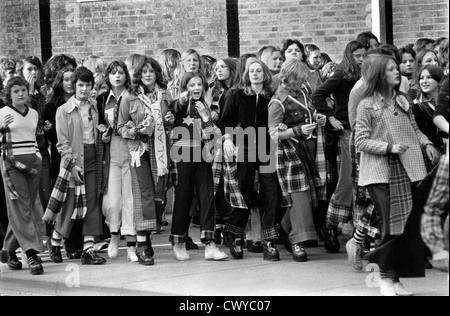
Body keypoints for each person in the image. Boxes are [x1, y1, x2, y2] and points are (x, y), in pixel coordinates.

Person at [355, 54, 439, 296]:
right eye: (391, 69)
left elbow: (414, 128)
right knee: (392, 225)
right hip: (381, 173)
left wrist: (425, 144)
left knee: (409, 226)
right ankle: (383, 276)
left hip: (409, 169)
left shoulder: (402, 100)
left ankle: (395, 278)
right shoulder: (366, 104)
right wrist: (388, 147)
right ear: (380, 75)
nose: (397, 72)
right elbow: (360, 141)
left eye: (396, 68)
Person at [43, 66, 106, 265]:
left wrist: (104, 132)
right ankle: (55, 241)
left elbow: (96, 133)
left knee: (92, 202)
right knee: (70, 204)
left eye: (88, 85)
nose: (84, 89)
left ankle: (88, 248)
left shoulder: (95, 106)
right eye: (81, 85)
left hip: (93, 157)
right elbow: (61, 143)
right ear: (74, 86)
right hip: (73, 160)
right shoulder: (63, 110)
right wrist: (72, 165)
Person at [220, 60, 280, 261]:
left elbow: (280, 119)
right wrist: (228, 138)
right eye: (251, 71)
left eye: (259, 71)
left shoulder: (271, 96)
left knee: (270, 191)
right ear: (247, 74)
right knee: (243, 191)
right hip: (245, 147)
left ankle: (269, 240)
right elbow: (226, 120)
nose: (255, 74)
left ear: (265, 74)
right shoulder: (237, 95)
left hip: (266, 147)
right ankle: (235, 234)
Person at [268, 59, 327, 262]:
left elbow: (309, 112)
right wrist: (297, 130)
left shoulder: (302, 93)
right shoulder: (277, 102)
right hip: (290, 153)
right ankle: (297, 241)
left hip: (308, 150)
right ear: (289, 78)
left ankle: (282, 230)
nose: (303, 83)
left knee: (308, 195)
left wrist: (317, 118)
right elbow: (272, 134)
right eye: (300, 80)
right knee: (299, 197)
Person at [118, 56, 173, 265]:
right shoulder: (129, 97)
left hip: (160, 149)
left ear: (157, 73)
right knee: (144, 193)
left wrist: (170, 120)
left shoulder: (165, 95)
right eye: (143, 72)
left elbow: (172, 119)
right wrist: (137, 130)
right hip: (139, 150)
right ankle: (142, 243)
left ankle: (149, 235)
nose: (147, 75)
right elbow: (121, 126)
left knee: (159, 193)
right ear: (138, 75)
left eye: (151, 71)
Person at [312, 40, 366, 253]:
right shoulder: (342, 73)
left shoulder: (367, 74)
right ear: (349, 55)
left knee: (361, 182)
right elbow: (318, 96)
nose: (361, 59)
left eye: (364, 55)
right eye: (357, 55)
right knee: (346, 180)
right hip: (346, 131)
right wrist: (331, 118)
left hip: (364, 131)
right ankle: (330, 225)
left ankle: (356, 230)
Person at [169, 71, 228, 261]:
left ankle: (210, 244)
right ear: (185, 87)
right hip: (183, 154)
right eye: (191, 85)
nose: (195, 88)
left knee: (207, 196)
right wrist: (183, 99)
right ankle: (178, 242)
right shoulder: (179, 104)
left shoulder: (208, 106)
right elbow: (176, 107)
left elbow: (211, 133)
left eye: (198, 85)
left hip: (203, 155)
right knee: (183, 198)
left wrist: (205, 116)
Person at [95, 60, 140, 263]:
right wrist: (102, 133)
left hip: (130, 150)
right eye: (113, 73)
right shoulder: (103, 98)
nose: (117, 76)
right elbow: (99, 125)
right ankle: (114, 236)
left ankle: (131, 245)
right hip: (111, 153)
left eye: (121, 72)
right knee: (113, 202)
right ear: (108, 77)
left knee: (129, 200)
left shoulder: (132, 96)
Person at [0, 76, 45, 275]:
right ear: (9, 95)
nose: (20, 94)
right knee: (22, 207)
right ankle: (32, 252)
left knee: (24, 208)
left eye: (23, 90)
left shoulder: (34, 113)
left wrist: (37, 156)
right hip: (12, 164)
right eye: (16, 91)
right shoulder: (2, 113)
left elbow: (35, 136)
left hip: (34, 164)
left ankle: (8, 250)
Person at [43, 68, 74, 187]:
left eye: (72, 79)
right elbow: (51, 136)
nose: (70, 83)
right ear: (60, 82)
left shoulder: (83, 103)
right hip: (60, 153)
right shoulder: (51, 106)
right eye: (66, 80)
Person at [413, 65, 445, 151]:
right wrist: (444, 141)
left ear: (439, 80)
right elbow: (422, 133)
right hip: (435, 152)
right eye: (421, 78)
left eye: (429, 77)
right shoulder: (418, 107)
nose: (424, 81)